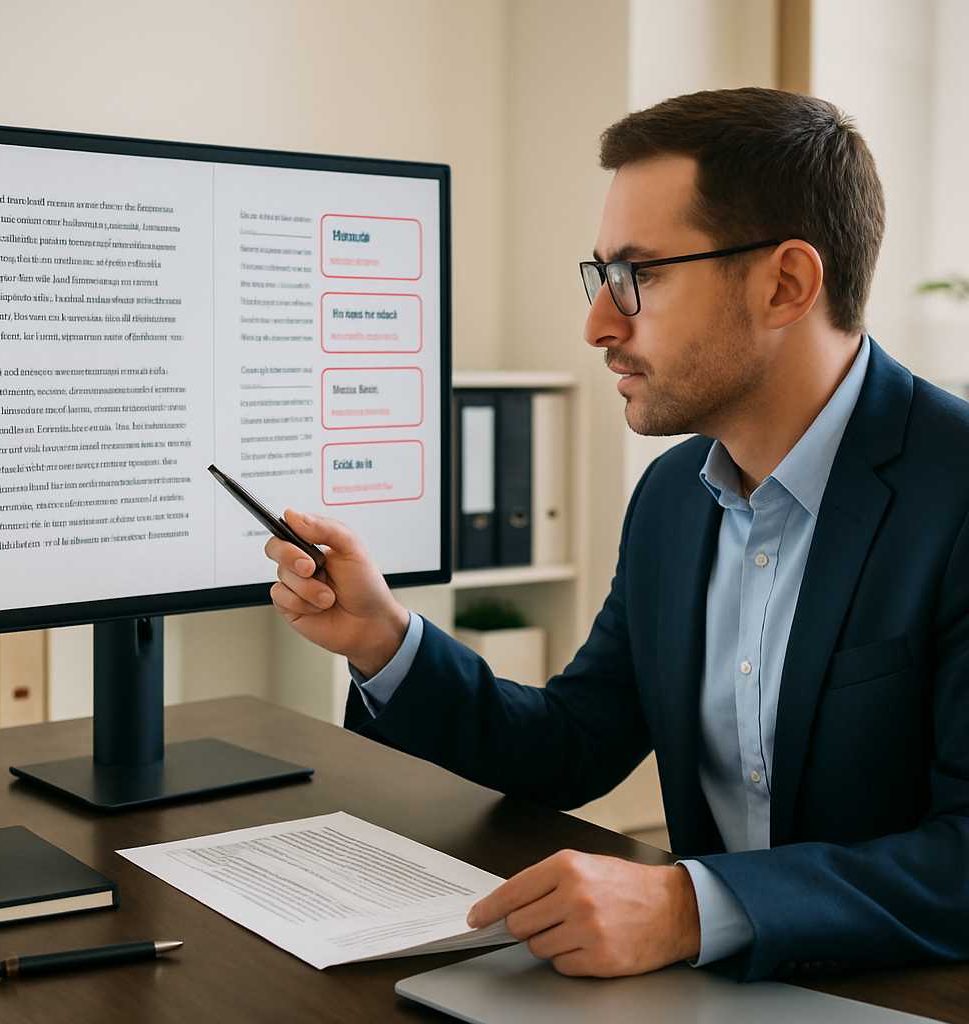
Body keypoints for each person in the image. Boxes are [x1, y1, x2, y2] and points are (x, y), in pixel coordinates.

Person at [264, 87, 969, 982]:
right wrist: (382, 639)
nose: (599, 324)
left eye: (641, 276)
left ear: (785, 284)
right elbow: (571, 745)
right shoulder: (675, 496)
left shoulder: (956, 493)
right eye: (600, 277)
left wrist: (688, 904)